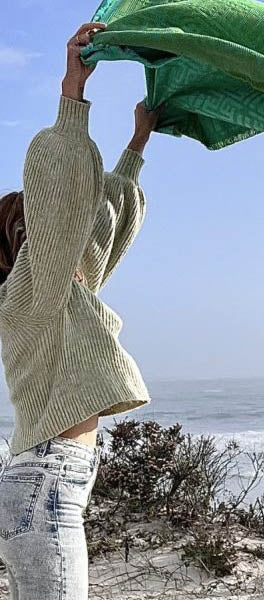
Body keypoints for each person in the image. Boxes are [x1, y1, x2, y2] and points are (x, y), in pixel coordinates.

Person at [0, 22, 162, 598]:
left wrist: (138, 144)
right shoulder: (31, 286)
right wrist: (72, 94)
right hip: (45, 491)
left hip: (43, 488)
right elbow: (65, 190)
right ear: (29, 234)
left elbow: (105, 218)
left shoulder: (55, 296)